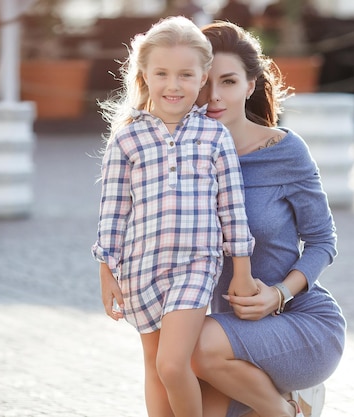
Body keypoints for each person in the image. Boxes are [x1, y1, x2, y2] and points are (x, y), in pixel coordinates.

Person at [91, 16, 258, 417]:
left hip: (195, 265)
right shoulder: (127, 137)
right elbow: (113, 210)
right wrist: (107, 272)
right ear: (145, 75)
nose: (173, 85)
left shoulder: (214, 136)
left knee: (172, 363)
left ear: (203, 78)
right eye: (162, 73)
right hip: (140, 266)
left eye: (186, 74)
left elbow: (232, 209)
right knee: (153, 366)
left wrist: (241, 269)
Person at [192, 21, 347, 417]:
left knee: (196, 348)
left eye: (227, 82)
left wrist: (279, 293)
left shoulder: (284, 150)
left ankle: (288, 411)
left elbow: (323, 241)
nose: (213, 96)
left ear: (250, 85)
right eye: (204, 82)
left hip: (300, 323)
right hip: (224, 331)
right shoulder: (183, 156)